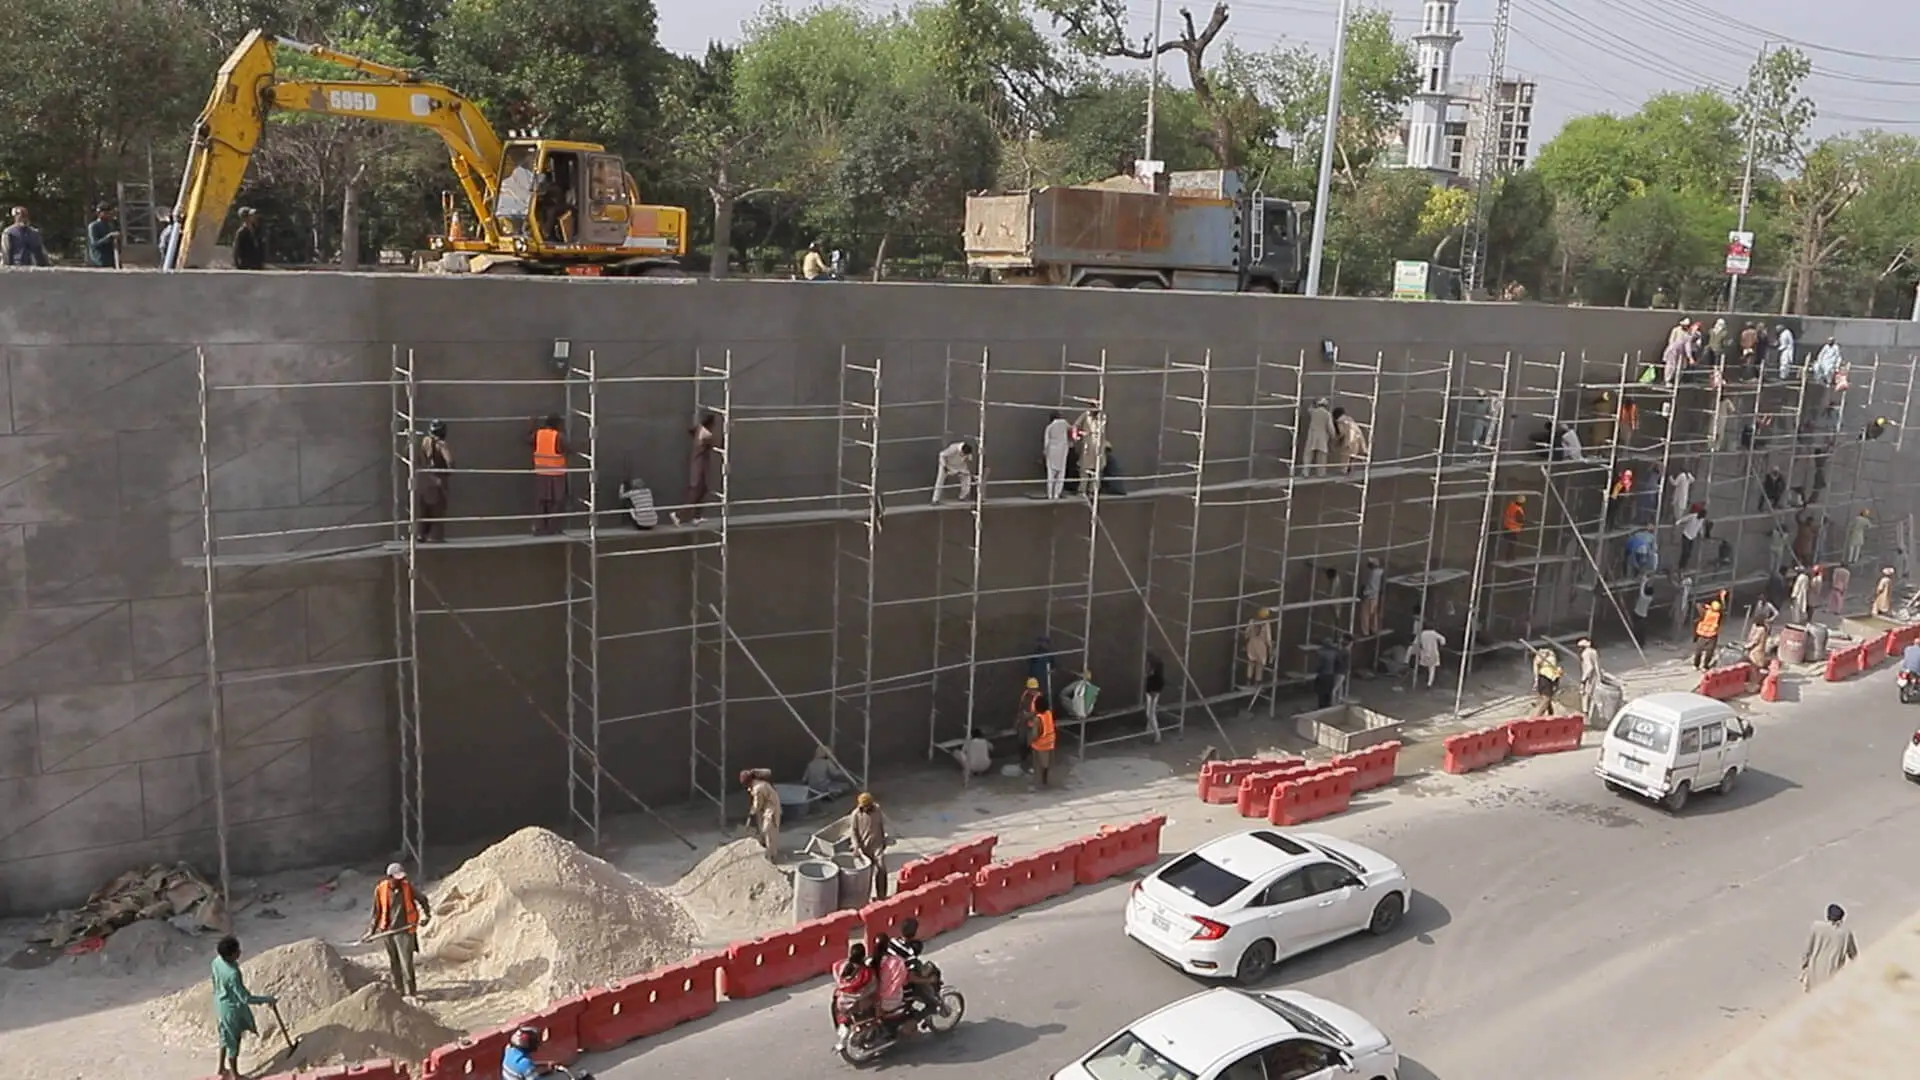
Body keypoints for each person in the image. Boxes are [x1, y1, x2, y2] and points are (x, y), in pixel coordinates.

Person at [211, 935, 275, 1080]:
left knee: (223, 1037)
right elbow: (245, 998)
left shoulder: (216, 962)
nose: (239, 952)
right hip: (231, 1009)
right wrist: (266, 999)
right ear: (230, 955)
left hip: (220, 1005)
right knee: (234, 1041)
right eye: (236, 951)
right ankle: (235, 1075)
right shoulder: (233, 973)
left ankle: (221, 1068)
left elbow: (215, 982)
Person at [369, 861, 431, 997]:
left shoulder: (407, 887)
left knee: (406, 963)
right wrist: (371, 932)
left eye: (402, 878)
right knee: (394, 963)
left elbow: (423, 899)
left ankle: (412, 992)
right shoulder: (381, 889)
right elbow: (376, 912)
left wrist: (427, 915)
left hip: (404, 931)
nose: (401, 881)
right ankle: (399, 991)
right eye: (397, 878)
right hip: (388, 931)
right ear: (389, 877)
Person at [1801, 904, 1858, 992]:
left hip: (1814, 974)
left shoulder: (1816, 927)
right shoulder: (1846, 934)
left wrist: (1804, 966)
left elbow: (1808, 950)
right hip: (1833, 975)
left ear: (1827, 916)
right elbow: (1854, 956)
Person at [675, 413, 720, 525]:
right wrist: (727, 430)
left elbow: (691, 431)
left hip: (700, 464)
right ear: (710, 423)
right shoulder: (706, 434)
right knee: (695, 492)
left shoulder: (699, 429)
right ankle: (678, 515)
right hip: (699, 466)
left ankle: (697, 516)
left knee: (703, 489)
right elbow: (719, 445)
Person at [528, 415, 569, 535]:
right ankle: (552, 528)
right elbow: (568, 448)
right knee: (557, 501)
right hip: (556, 473)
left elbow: (528, 440)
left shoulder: (538, 434)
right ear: (557, 424)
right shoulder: (559, 436)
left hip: (541, 472)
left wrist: (531, 427)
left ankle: (539, 527)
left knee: (542, 501)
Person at [832, 943, 877, 1049]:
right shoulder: (866, 973)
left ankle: (841, 1026)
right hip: (856, 1003)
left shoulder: (840, 966)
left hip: (840, 1001)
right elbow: (871, 988)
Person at [415, 420, 452, 542]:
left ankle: (422, 534)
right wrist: (450, 470)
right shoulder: (441, 444)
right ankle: (436, 537)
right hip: (438, 478)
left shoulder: (425, 441)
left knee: (426, 508)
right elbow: (450, 461)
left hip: (426, 478)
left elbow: (418, 458)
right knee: (438, 508)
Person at [849, 793, 889, 899]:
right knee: (866, 875)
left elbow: (883, 825)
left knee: (882, 870)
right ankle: (864, 898)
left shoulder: (877, 810)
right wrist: (856, 846)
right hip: (864, 848)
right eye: (864, 806)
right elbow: (853, 832)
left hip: (877, 846)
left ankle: (881, 896)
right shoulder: (856, 815)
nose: (866, 808)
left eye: (868, 806)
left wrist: (885, 839)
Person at [742, 768, 781, 861]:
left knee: (769, 832)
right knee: (762, 830)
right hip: (765, 808)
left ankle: (771, 857)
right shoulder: (755, 785)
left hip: (771, 809)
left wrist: (752, 812)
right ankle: (764, 848)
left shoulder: (758, 788)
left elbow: (757, 805)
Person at [1072, 406, 1105, 492]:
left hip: (1098, 444)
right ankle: (1082, 490)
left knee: (1097, 469)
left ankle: (1093, 490)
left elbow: (1102, 430)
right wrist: (1076, 434)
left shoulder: (1102, 416)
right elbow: (1076, 425)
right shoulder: (1086, 415)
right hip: (1088, 444)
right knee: (1084, 469)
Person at [1027, 701, 1057, 788]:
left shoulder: (1037, 719)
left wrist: (1030, 741)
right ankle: (1046, 778)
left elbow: (1035, 734)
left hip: (1040, 744)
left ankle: (1041, 780)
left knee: (1039, 763)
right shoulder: (1049, 713)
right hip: (1050, 741)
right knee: (1046, 761)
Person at [1042, 412, 1071, 499]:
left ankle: (1050, 494)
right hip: (1062, 450)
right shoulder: (1064, 423)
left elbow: (1046, 442)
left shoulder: (1049, 427)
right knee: (1061, 473)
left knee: (1050, 474)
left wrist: (1045, 453)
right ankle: (1057, 494)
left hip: (1051, 451)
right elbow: (1072, 428)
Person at [1303, 398, 1336, 474]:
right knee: (1322, 456)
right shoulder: (1327, 414)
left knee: (1308, 454)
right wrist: (1333, 436)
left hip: (1312, 435)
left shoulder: (1313, 412)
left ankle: (1306, 471)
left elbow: (1309, 409)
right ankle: (1321, 473)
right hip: (1322, 437)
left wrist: (1313, 403)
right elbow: (1330, 428)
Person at [1692, 597, 1724, 671]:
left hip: (1708, 635)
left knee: (1703, 652)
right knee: (1704, 653)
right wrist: (1722, 599)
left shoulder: (1706, 613)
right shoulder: (1714, 614)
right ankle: (1701, 666)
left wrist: (1706, 605)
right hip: (1707, 635)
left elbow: (1698, 604)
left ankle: (1700, 665)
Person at [1332, 407, 1368, 471]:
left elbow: (1342, 432)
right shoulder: (1350, 419)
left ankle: (1344, 471)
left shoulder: (1340, 421)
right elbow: (1359, 432)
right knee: (1352, 457)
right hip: (1356, 440)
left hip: (1348, 441)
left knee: (1345, 458)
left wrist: (1337, 439)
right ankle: (1349, 469)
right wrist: (1364, 448)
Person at [1357, 557, 1385, 635]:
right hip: (1375, 597)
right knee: (1374, 615)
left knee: (1365, 615)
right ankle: (1374, 629)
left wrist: (1363, 594)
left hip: (1368, 596)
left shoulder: (1370, 573)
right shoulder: (1380, 572)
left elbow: (1367, 586)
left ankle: (1365, 632)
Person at [1531, 648, 1562, 715]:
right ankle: (1536, 717)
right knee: (1546, 699)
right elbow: (1537, 663)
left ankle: (1550, 715)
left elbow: (1556, 675)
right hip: (1545, 678)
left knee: (1548, 700)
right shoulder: (1541, 659)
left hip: (1550, 679)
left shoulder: (1551, 658)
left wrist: (1558, 674)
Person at [1142, 653, 1166, 741]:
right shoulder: (1154, 674)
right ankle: (1149, 729)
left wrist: (1153, 696)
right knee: (1149, 713)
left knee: (1151, 714)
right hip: (1150, 693)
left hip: (1152, 693)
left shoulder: (1157, 676)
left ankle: (1157, 735)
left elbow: (1158, 687)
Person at [1577, 638, 1602, 719]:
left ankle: (1586, 714)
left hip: (1589, 678)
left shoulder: (1585, 653)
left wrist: (1583, 680)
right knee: (1595, 695)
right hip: (1596, 676)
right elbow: (1597, 665)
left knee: (1585, 695)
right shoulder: (1594, 651)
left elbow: (1590, 667)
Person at [1501, 495, 1526, 560]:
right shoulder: (1518, 509)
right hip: (1512, 529)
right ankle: (1510, 558)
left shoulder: (1511, 506)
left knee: (1510, 544)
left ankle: (1509, 557)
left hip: (1506, 527)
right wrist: (1524, 521)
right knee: (1512, 544)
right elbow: (1519, 519)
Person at [1631, 576, 1655, 641]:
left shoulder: (1642, 596)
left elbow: (1641, 588)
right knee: (1642, 630)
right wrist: (1649, 581)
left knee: (1636, 628)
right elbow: (1647, 590)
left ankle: (1636, 639)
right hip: (1643, 616)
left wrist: (1644, 580)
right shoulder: (1650, 598)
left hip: (1637, 614)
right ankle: (1640, 641)